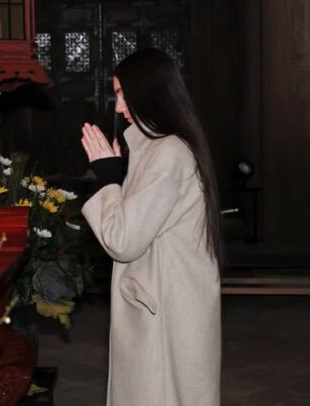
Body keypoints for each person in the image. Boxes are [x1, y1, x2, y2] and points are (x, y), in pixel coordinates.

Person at [80, 47, 223, 406]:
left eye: (123, 94)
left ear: (150, 93)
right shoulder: (157, 150)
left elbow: (124, 240)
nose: (118, 107)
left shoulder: (169, 153)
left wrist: (108, 179)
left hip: (165, 315)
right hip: (163, 304)